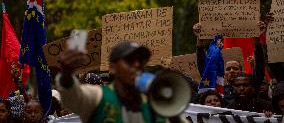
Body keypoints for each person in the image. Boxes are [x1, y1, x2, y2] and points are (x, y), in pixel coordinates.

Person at [56, 41, 188, 123]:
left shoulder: (155, 103)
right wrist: (66, 75)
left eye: (141, 61)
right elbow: (72, 98)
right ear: (112, 67)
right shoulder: (98, 96)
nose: (137, 65)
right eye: (129, 60)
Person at [193, 22, 266, 105]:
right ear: (224, 74)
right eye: (228, 69)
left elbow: (260, 68)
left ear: (242, 71)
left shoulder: (250, 85)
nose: (231, 71)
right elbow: (204, 69)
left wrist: (257, 41)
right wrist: (200, 41)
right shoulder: (219, 89)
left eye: (235, 68)